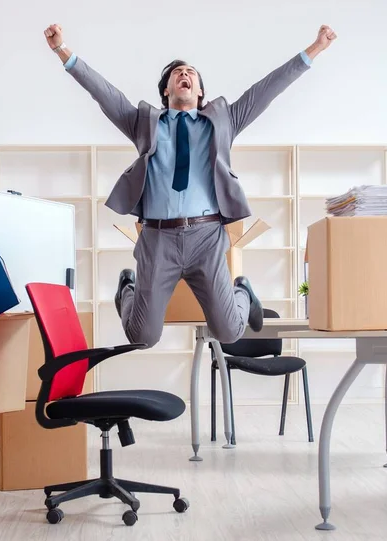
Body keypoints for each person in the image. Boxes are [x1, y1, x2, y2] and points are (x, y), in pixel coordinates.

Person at [44, 23, 337, 348]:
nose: (185, 75)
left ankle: (243, 290)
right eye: (177, 74)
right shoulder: (144, 123)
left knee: (229, 332)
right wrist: (62, 51)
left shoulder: (224, 121)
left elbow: (266, 89)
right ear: (166, 91)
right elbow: (103, 92)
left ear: (199, 93)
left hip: (206, 238)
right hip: (157, 239)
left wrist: (315, 49)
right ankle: (126, 287)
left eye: (191, 74)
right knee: (142, 336)